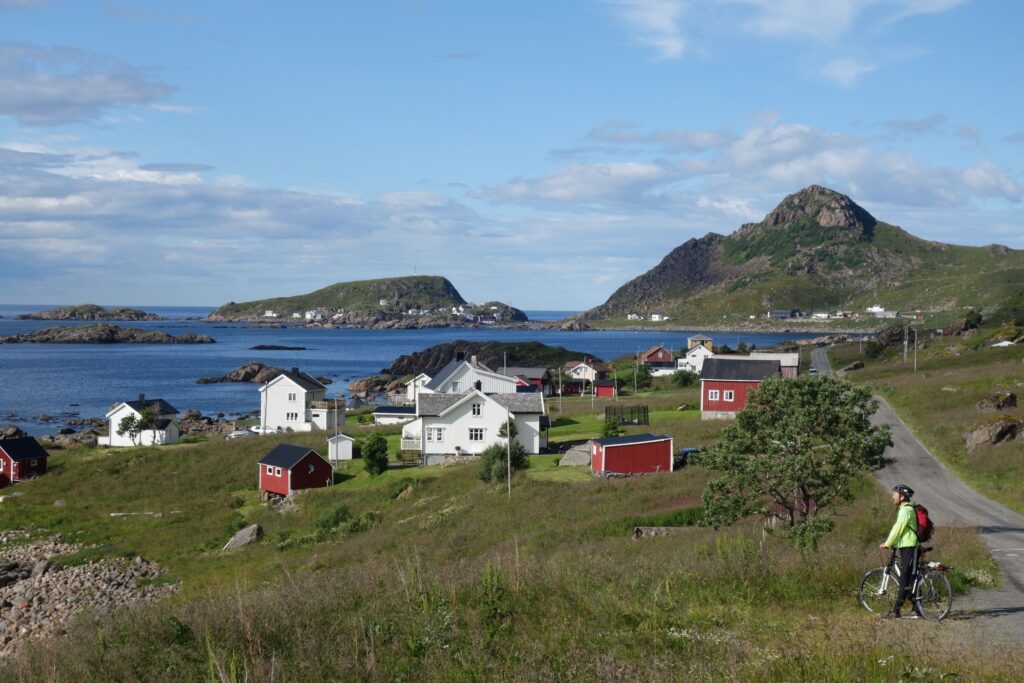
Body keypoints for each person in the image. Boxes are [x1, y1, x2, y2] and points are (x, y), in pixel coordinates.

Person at [879, 483, 919, 619]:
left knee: (904, 579)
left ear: (902, 497)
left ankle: (896, 611)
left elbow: (898, 528)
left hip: (909, 546)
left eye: (894, 494)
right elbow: (903, 530)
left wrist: (888, 543)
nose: (892, 496)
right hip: (906, 545)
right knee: (909, 578)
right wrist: (895, 543)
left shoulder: (906, 510)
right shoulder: (905, 509)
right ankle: (916, 608)